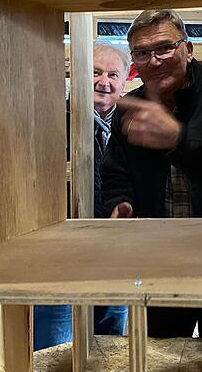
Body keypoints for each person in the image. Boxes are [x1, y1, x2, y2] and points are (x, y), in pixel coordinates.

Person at [101, 9, 202, 338]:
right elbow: (116, 172)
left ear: (188, 48)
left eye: (164, 48)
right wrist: (121, 203)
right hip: (161, 257)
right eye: (142, 53)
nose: (153, 61)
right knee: (161, 351)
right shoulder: (131, 105)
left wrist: (178, 139)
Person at [33, 43, 130, 350]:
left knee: (109, 350)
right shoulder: (50, 123)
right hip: (58, 262)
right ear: (75, 76)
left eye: (113, 74)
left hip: (116, 263)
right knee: (54, 350)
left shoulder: (132, 128)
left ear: (124, 81)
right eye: (95, 72)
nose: (104, 82)